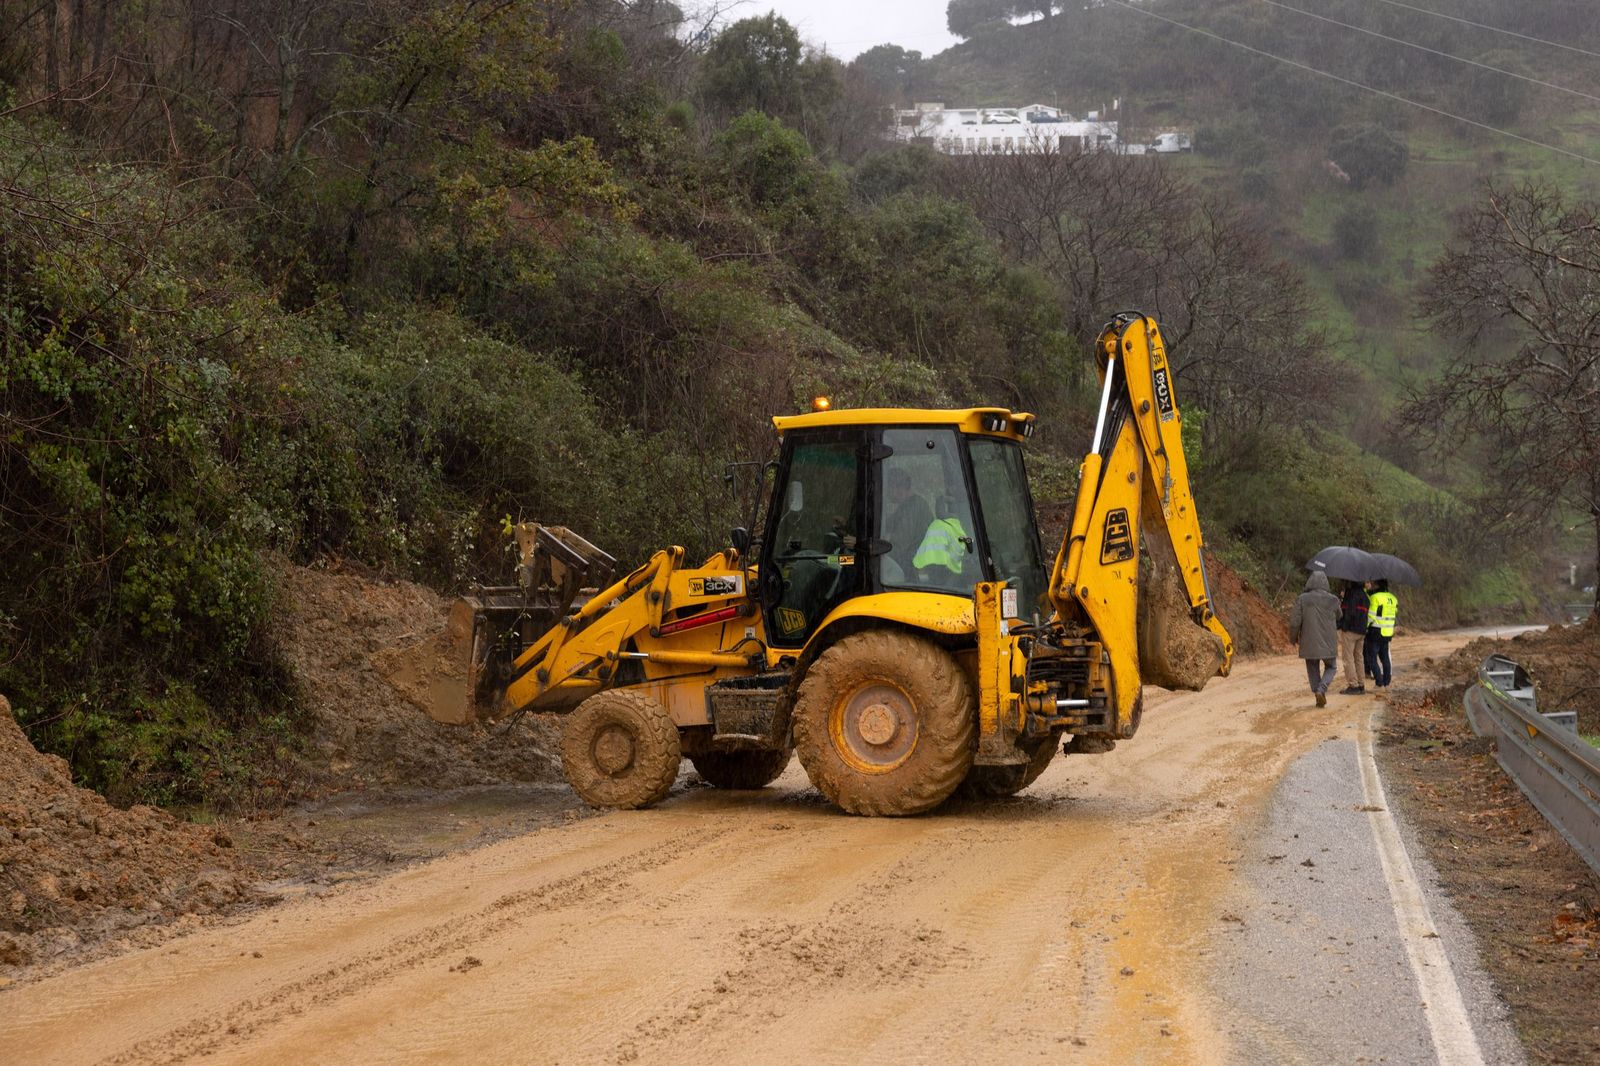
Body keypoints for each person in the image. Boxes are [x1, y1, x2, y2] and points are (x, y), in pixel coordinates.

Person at [1290, 571, 1341, 706]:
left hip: (1309, 641)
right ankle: (1321, 689)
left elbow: (1295, 621)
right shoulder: (1334, 600)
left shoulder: (1302, 599)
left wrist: (1293, 638)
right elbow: (1340, 616)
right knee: (1331, 667)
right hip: (1329, 642)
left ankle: (1317, 692)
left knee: (1312, 667)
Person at [1337, 579, 1370, 694]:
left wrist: (1343, 627)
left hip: (1350, 630)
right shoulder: (1366, 597)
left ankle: (1353, 685)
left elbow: (1348, 614)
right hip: (1361, 631)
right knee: (1359, 657)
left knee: (1348, 658)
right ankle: (1361, 684)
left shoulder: (1350, 595)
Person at [1367, 579, 1398, 688]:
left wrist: (1366, 627)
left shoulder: (1375, 598)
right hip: (1388, 632)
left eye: (1374, 584)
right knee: (1385, 658)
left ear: (1377, 585)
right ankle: (1386, 681)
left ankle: (1379, 682)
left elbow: (1371, 616)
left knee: (1372, 658)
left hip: (1375, 631)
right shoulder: (1394, 599)